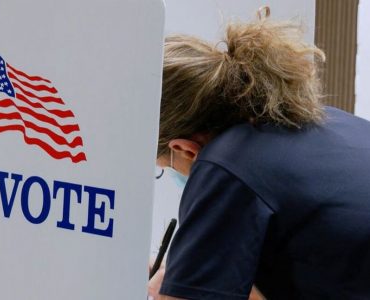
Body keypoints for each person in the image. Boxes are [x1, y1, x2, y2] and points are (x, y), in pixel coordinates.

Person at [148, 9, 370, 300]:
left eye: (164, 166)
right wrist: (193, 273)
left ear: (184, 149)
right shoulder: (326, 120)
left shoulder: (225, 163)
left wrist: (173, 288)